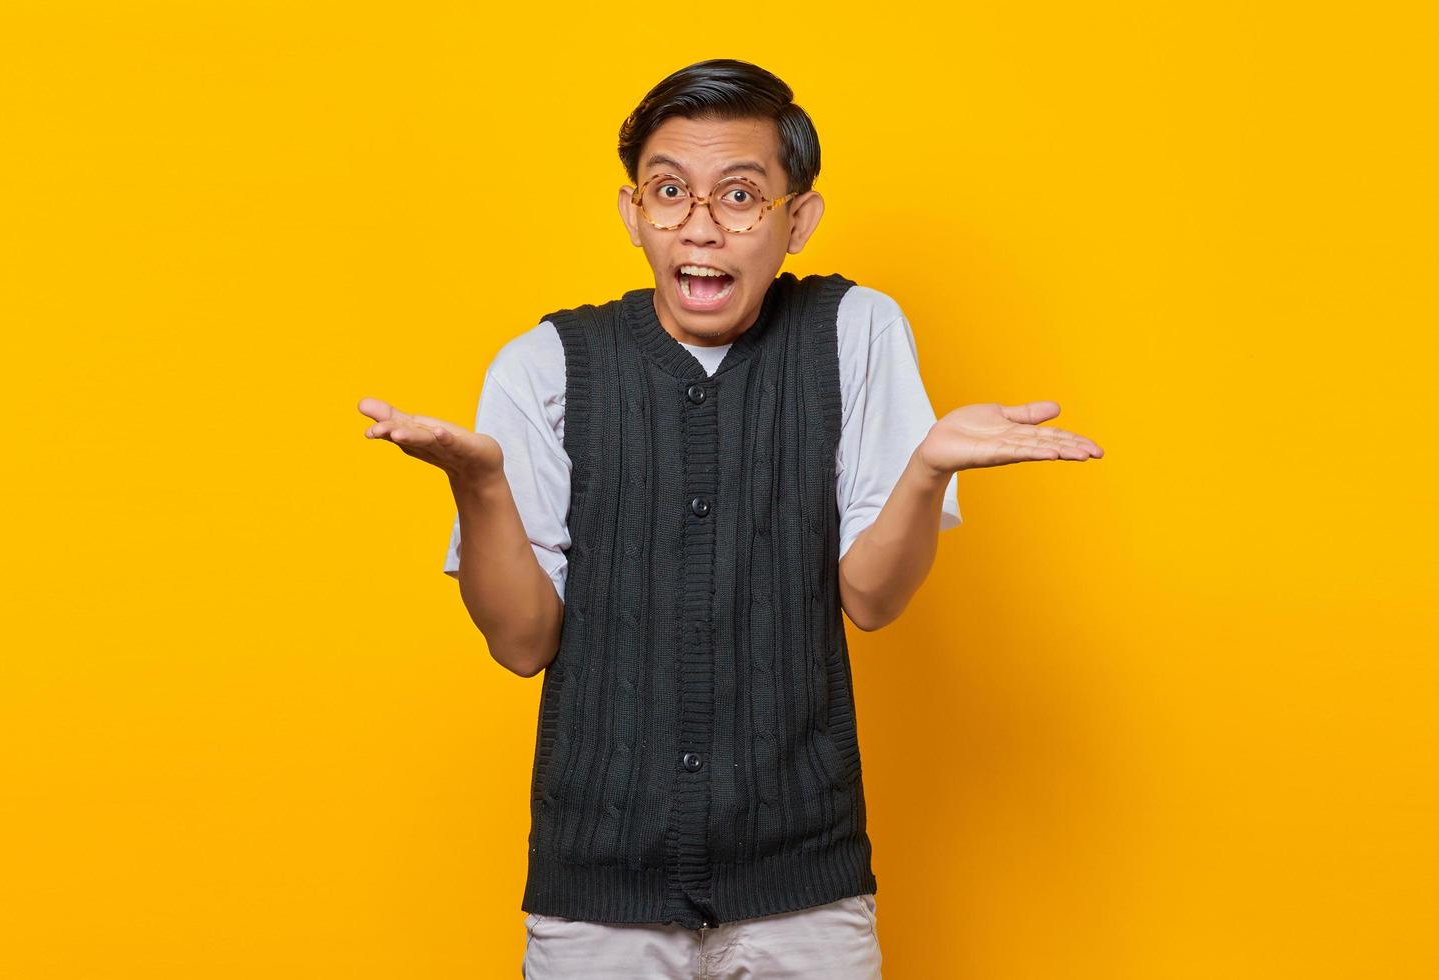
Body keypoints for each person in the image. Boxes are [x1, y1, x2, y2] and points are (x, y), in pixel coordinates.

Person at [359, 58, 1103, 979]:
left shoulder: (854, 330)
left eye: (740, 195)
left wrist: (925, 470)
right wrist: (478, 487)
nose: (700, 226)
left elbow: (871, 599)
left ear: (797, 219)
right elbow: (521, 642)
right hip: (596, 895)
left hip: (806, 889)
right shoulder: (545, 364)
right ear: (633, 212)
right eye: (669, 192)